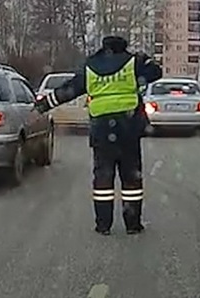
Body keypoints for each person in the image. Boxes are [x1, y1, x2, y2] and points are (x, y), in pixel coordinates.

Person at [34, 35, 162, 235]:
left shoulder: (90, 66)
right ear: (123, 47)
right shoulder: (132, 63)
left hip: (102, 129)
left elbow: (69, 89)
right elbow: (156, 73)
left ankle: (103, 225)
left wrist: (43, 104)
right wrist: (147, 60)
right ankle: (132, 224)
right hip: (129, 128)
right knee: (131, 178)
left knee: (103, 177)